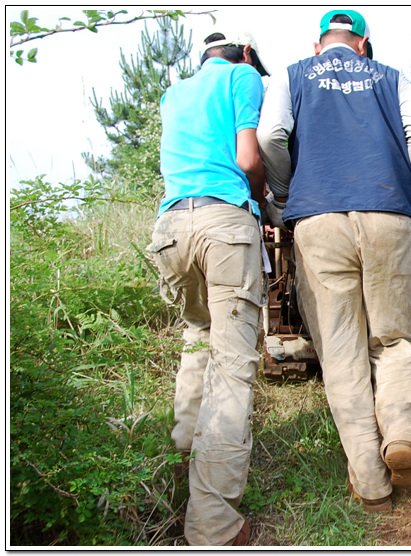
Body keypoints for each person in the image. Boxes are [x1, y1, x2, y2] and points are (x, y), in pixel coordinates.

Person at [256, 9, 411, 512]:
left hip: (318, 219)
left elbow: (271, 135)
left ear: (319, 45)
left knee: (341, 351)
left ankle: (372, 481)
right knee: (394, 336)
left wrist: (290, 191)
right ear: (363, 44)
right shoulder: (390, 75)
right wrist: (399, 181)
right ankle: (401, 433)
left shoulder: (293, 74)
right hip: (386, 211)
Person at [147, 31, 270, 545]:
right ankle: (214, 522)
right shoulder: (242, 77)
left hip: (171, 230)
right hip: (224, 224)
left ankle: (179, 468)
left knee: (197, 339)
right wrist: (263, 194)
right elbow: (247, 159)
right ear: (244, 55)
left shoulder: (174, 91)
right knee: (232, 367)